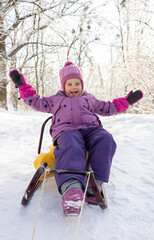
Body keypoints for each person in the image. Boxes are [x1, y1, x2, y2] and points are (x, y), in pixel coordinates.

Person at [9, 61, 143, 215]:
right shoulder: (54, 100)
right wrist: (22, 86)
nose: (74, 87)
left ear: (82, 84)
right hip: (67, 131)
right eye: (70, 83)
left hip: (91, 129)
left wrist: (126, 102)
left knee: (105, 138)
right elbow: (35, 102)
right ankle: (71, 188)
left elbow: (108, 107)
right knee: (71, 143)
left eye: (77, 83)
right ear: (63, 85)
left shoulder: (89, 99)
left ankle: (95, 185)